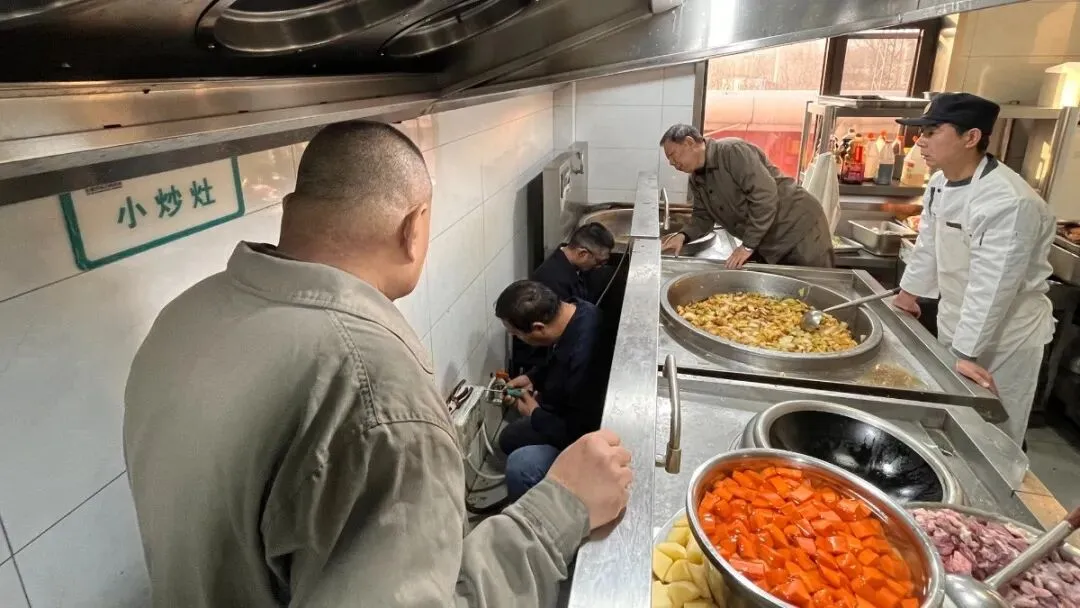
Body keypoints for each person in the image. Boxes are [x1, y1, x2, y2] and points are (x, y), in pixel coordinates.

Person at [122, 120, 632, 608]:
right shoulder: (373, 383)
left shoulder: (183, 317)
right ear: (413, 228)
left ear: (290, 209)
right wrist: (559, 509)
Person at [892, 93, 1056, 445]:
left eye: (932, 132)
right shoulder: (940, 183)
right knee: (953, 423)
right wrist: (907, 296)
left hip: (1006, 337)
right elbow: (929, 245)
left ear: (971, 137)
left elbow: (993, 286)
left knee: (996, 433)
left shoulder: (1009, 201)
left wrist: (966, 353)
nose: (920, 141)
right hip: (956, 318)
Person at [495, 280, 612, 501]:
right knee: (509, 438)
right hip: (568, 413)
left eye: (517, 334)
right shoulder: (577, 311)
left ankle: (540, 517)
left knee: (520, 466)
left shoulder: (585, 356)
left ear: (539, 328)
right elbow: (558, 360)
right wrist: (532, 378)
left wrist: (534, 413)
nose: (516, 339)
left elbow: (578, 431)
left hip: (588, 434)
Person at [659, 124, 834, 269]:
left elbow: (764, 197)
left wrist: (748, 246)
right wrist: (683, 236)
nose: (672, 163)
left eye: (673, 155)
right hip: (768, 241)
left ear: (689, 142)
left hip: (800, 229)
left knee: (814, 289)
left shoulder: (732, 152)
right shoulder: (697, 180)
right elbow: (702, 218)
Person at [510, 222, 615, 373]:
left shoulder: (572, 265)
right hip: (542, 361)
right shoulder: (552, 282)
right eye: (599, 262)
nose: (599, 267)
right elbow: (558, 337)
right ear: (582, 254)